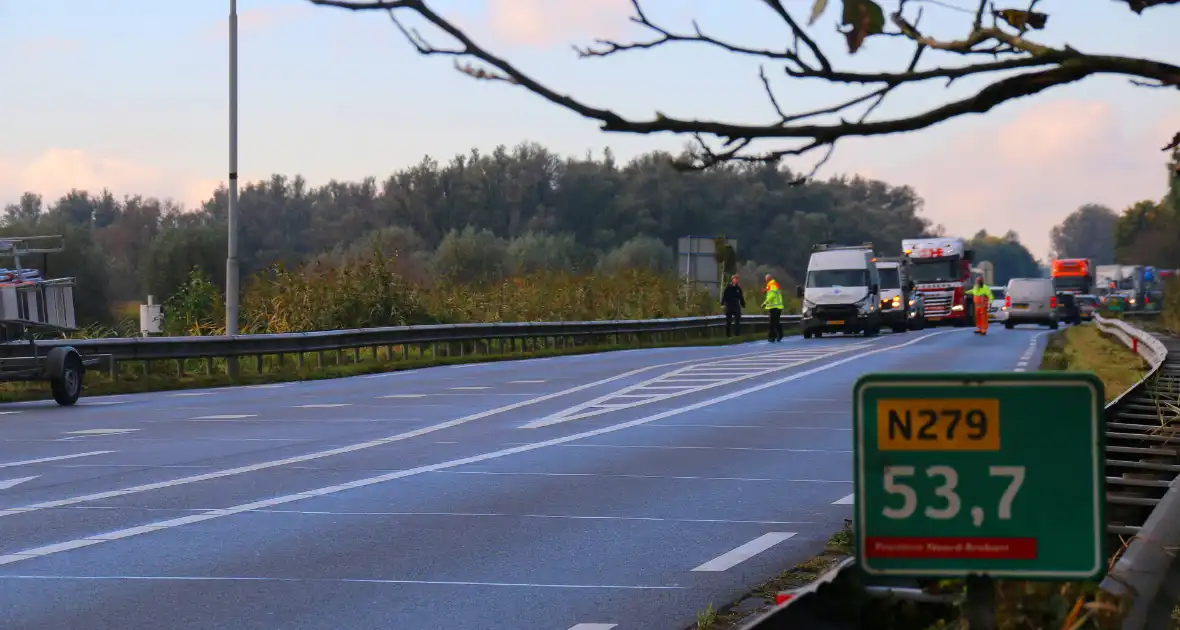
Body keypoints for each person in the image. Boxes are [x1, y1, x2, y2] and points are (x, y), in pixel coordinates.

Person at [762, 274, 784, 342]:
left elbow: (771, 296)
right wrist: (765, 290)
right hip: (774, 307)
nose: (765, 280)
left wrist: (764, 303)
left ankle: (772, 337)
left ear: (768, 279)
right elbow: (769, 291)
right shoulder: (771, 285)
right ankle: (778, 335)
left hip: (776, 307)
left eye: (765, 279)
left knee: (773, 323)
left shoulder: (772, 285)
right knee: (775, 322)